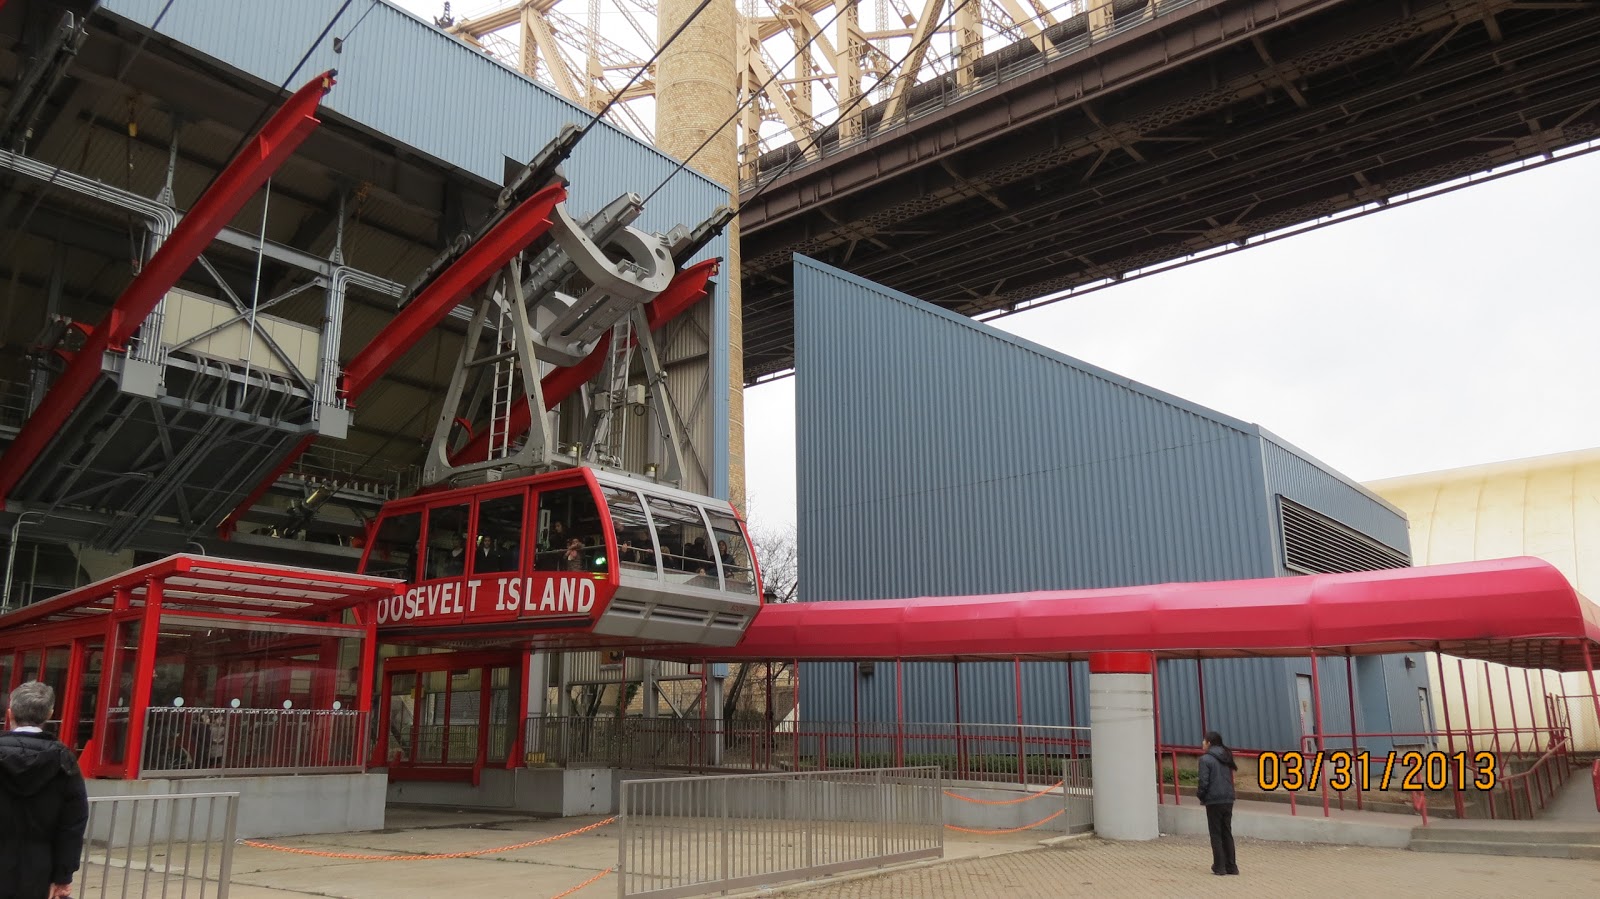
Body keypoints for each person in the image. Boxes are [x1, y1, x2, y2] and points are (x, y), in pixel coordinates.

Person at [0, 681, 89, 899]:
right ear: (49, 714)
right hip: (40, 868)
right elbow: (72, 824)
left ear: (10, 713)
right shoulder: (64, 760)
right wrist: (63, 876)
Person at [1197, 729, 1239, 876]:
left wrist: (1200, 795)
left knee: (1215, 834)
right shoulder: (1227, 756)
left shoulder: (1205, 759)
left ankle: (1219, 867)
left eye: (1204, 740)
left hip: (1214, 800)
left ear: (1209, 743)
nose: (1202, 743)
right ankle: (1232, 867)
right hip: (1228, 798)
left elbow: (1204, 781)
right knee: (1227, 832)